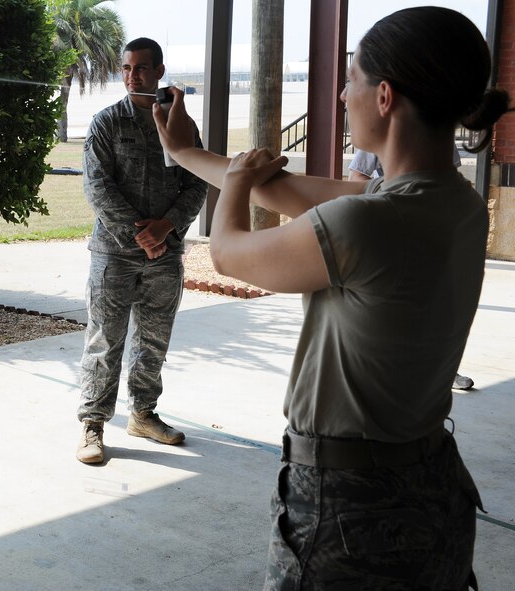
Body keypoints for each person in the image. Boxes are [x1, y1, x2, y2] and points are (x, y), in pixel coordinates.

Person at [154, 7, 510, 589]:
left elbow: (229, 252)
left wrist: (240, 182)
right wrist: (186, 154)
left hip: (350, 512)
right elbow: (295, 191)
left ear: (386, 96)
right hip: (431, 486)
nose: (344, 96)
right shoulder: (455, 204)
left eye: (352, 81)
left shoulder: (368, 222)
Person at [75, 37, 208, 464]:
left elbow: (197, 181)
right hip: (114, 254)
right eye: (128, 68)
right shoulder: (106, 123)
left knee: (154, 339)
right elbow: (97, 187)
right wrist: (141, 235)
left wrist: (166, 227)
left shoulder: (179, 125)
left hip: (164, 254)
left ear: (159, 71)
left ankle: (144, 414)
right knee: (104, 340)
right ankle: (92, 425)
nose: (134, 76)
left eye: (143, 68)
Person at [349, 147, 476, 391]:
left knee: (439, 306)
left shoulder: (440, 137)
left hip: (435, 231)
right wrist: (401, 193)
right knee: (395, 307)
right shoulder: (380, 132)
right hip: (393, 229)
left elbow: (450, 181)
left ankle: (444, 372)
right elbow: (358, 178)